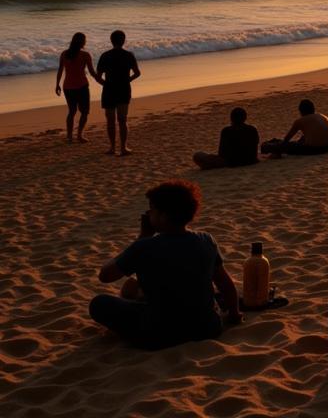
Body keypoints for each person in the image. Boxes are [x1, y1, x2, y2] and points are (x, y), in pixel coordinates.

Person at [89, 180, 241, 349]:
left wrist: (143, 236)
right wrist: (234, 314)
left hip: (158, 332)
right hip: (207, 328)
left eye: (152, 209)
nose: (148, 213)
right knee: (133, 287)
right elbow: (225, 283)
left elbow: (105, 275)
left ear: (164, 216)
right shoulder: (206, 240)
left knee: (99, 303)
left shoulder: (144, 246)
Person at [96, 30, 141, 157]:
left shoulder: (105, 55)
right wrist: (128, 80)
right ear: (123, 40)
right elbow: (137, 73)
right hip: (124, 89)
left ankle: (112, 148)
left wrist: (105, 84)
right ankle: (123, 147)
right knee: (122, 119)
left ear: (111, 40)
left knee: (110, 120)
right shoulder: (129, 55)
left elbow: (98, 76)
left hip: (109, 89)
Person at [55, 31, 97, 144]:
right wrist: (102, 81)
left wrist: (57, 84)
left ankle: (69, 137)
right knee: (84, 112)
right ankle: (79, 135)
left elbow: (60, 70)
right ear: (83, 42)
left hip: (68, 87)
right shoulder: (85, 55)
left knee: (72, 111)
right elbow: (92, 72)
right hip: (82, 86)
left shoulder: (64, 54)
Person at [260, 99, 328, 157]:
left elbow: (287, 139)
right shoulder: (324, 116)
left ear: (301, 111)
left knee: (269, 145)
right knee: (301, 139)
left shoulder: (300, 121)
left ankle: (267, 146)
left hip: (314, 149)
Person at [193, 107, 260, 170]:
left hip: (230, 162)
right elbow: (255, 146)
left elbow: (221, 153)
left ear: (231, 118)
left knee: (198, 155)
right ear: (245, 118)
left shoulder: (226, 131)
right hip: (251, 160)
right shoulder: (252, 129)